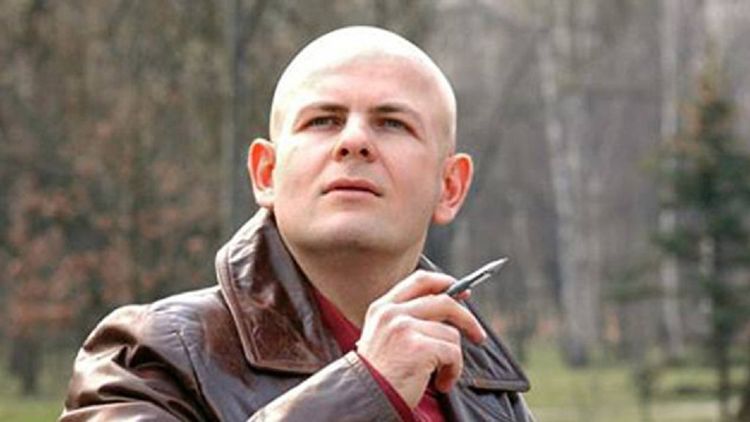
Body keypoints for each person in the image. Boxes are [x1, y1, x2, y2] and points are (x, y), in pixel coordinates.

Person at [60, 26, 533, 421]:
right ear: (266, 174)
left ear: (450, 187)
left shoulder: (486, 392)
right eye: (323, 120)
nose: (354, 141)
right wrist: (367, 388)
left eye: (392, 123)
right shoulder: (153, 356)